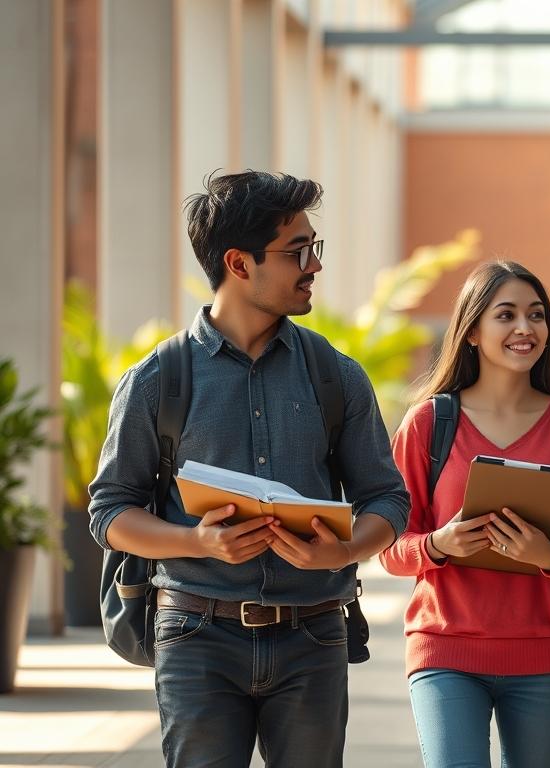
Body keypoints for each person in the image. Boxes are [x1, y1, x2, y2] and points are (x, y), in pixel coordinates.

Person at [88, 171, 410, 767]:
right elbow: (110, 511)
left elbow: (388, 499)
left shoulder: (335, 375)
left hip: (314, 635)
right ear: (238, 263)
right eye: (297, 252)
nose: (313, 265)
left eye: (314, 248)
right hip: (194, 634)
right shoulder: (159, 380)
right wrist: (196, 542)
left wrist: (342, 552)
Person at [379, 260, 550, 768]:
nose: (525, 328)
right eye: (506, 315)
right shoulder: (429, 423)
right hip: (445, 650)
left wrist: (546, 556)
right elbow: (388, 548)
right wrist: (438, 545)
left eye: (536, 315)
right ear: (472, 331)